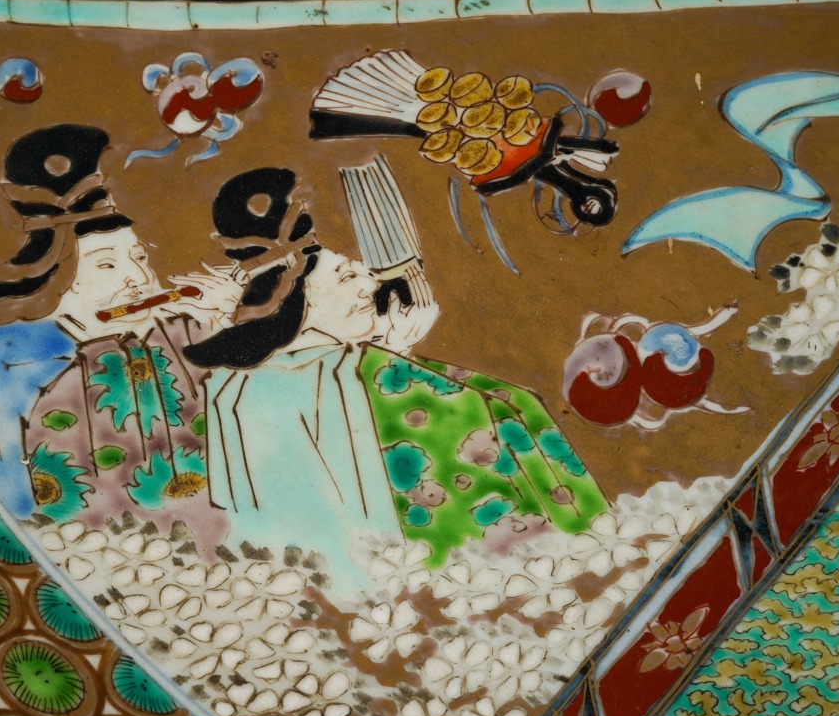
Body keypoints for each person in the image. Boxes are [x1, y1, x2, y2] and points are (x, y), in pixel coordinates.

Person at [185, 168, 608, 588]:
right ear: (291, 298)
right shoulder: (262, 394)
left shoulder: (348, 365)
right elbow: (308, 529)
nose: (369, 283)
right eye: (346, 276)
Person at [0, 125, 240, 549]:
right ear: (54, 280)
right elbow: (1, 487)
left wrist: (230, 319)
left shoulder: (176, 335)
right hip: (81, 547)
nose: (138, 279)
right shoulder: (5, 360)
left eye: (139, 258)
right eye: (106, 266)